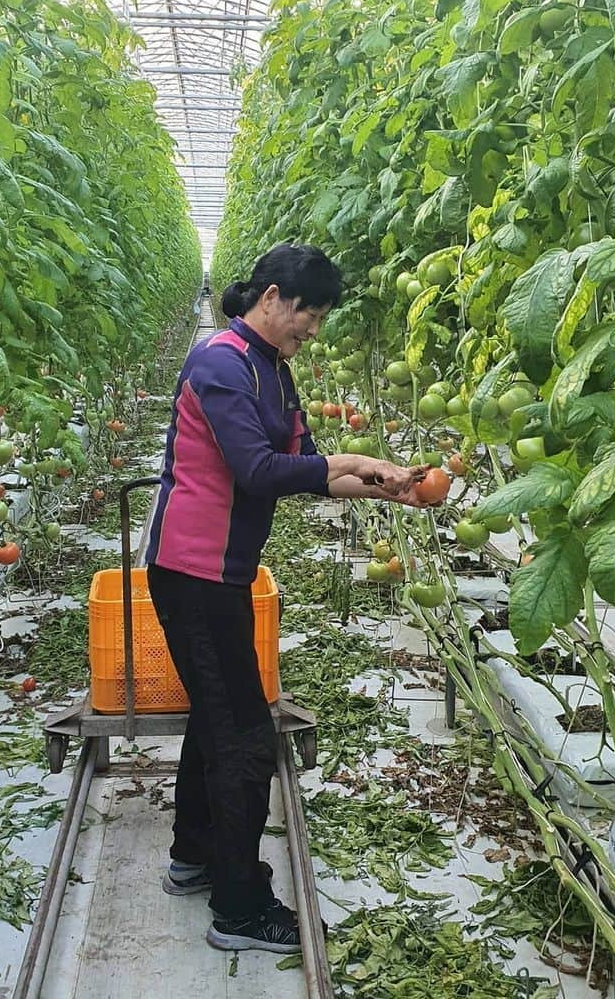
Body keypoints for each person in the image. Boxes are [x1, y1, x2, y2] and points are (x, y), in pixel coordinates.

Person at [144, 243, 428, 954]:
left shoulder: (274, 370)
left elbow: (307, 468)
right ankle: (239, 909)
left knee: (218, 715)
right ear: (272, 297)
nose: (315, 331)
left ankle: (195, 855)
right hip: (192, 571)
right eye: (311, 315)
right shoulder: (220, 361)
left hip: (225, 572)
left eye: (322, 318)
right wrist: (350, 460)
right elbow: (258, 469)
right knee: (245, 736)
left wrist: (381, 483)